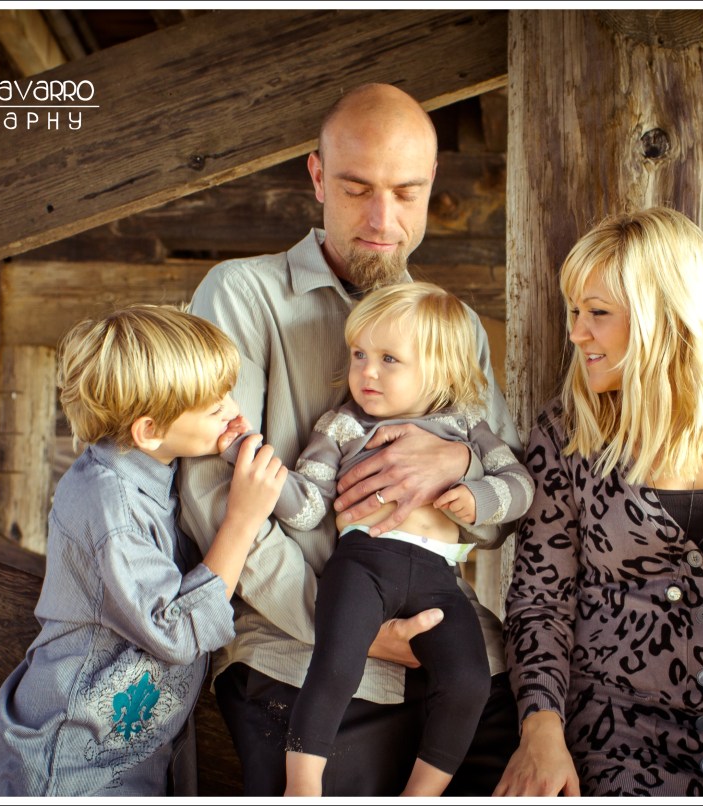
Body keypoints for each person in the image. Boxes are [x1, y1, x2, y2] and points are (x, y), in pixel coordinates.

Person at [177, 83, 522, 796]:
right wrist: (348, 628)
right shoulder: (241, 295)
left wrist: (457, 460)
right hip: (299, 658)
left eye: (406, 192)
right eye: (357, 188)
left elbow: (501, 517)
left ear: (432, 184)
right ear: (317, 176)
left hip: (459, 658)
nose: (381, 219)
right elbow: (213, 500)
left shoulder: (455, 327)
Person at [499, 207, 703, 796]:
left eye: (598, 313)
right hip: (616, 743)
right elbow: (540, 602)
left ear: (663, 314)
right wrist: (541, 731)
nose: (576, 333)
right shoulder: (567, 435)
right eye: (574, 312)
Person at [218, 282, 532, 795]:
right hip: (363, 564)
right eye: (359, 354)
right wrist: (248, 459)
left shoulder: (469, 428)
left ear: (442, 370)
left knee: (468, 681)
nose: (366, 372)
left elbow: (520, 486)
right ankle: (303, 782)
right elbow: (309, 506)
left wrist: (476, 492)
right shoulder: (342, 426)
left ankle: (420, 794)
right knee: (337, 661)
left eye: (389, 359)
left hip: (438, 578)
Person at [0, 305, 287, 796]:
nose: (233, 409)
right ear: (149, 430)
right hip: (74, 760)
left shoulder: (155, 470)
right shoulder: (111, 502)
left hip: (132, 752)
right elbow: (173, 631)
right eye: (214, 408)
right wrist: (242, 518)